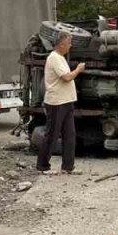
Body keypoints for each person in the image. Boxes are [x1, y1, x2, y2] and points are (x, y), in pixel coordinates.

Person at [37, 31, 86, 176]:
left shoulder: (61, 58)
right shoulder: (54, 58)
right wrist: (78, 69)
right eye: (69, 43)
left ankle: (68, 166)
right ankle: (43, 166)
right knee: (52, 134)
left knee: (69, 135)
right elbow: (66, 77)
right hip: (56, 102)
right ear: (61, 44)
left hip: (66, 101)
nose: (70, 46)